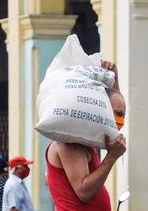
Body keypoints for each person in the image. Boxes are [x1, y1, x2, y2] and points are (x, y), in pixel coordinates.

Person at [46, 61, 127, 211]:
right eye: (118, 114)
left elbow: (114, 102)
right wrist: (112, 156)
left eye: (123, 115)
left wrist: (115, 80)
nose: (121, 121)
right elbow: (84, 192)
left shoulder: (85, 142)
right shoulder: (70, 144)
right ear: (99, 109)